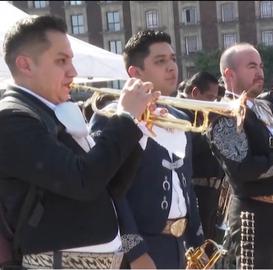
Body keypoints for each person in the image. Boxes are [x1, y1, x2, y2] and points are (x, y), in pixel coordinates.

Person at [0, 15, 157, 269]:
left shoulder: (54, 111)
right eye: (61, 60)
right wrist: (125, 118)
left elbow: (110, 186)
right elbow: (82, 181)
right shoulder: (12, 117)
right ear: (25, 65)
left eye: (71, 60)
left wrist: (139, 126)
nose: (73, 71)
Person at [90, 30, 203, 269]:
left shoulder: (180, 117)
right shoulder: (112, 117)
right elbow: (111, 192)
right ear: (135, 73)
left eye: (173, 58)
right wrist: (135, 251)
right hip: (141, 248)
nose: (172, 67)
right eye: (160, 61)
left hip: (179, 245)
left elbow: (186, 184)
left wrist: (197, 241)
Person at [207, 43, 273, 269]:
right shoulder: (225, 113)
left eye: (261, 66)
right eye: (251, 66)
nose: (260, 72)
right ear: (229, 74)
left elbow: (271, 151)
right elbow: (243, 169)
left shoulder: (260, 107)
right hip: (254, 216)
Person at [181, 71, 225, 242]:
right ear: (195, 93)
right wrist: (211, 127)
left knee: (212, 244)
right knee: (199, 245)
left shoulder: (203, 113)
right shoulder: (180, 113)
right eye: (210, 97)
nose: (214, 103)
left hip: (214, 191)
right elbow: (187, 148)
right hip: (196, 190)